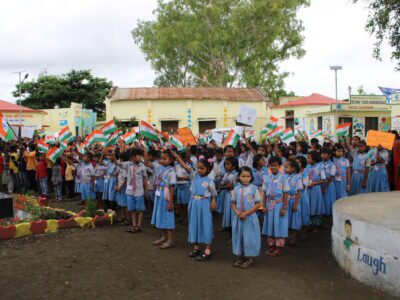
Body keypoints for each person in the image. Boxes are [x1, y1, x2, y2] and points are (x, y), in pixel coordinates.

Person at [175, 153, 217, 261]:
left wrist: (213, 201)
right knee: (195, 224)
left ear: (208, 170)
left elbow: (213, 194)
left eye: (202, 168)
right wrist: (178, 158)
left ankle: (207, 249)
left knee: (206, 224)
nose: (199, 170)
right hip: (193, 203)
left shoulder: (210, 182)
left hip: (204, 204)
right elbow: (185, 166)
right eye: (198, 167)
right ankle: (196, 247)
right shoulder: (194, 176)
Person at [231, 166, 261, 268]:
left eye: (248, 176)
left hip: (250, 218)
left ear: (251, 177)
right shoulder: (236, 189)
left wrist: (247, 213)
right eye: (243, 176)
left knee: (249, 238)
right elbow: (233, 203)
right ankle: (241, 256)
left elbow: (257, 204)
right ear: (239, 176)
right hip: (239, 217)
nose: (245, 178)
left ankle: (249, 258)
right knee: (239, 237)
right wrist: (237, 212)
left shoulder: (254, 189)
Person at [115, 148, 148, 233]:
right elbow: (118, 163)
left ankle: (139, 225)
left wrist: (146, 190)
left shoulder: (142, 166)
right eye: (139, 156)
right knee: (132, 209)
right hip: (130, 191)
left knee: (140, 209)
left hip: (139, 191)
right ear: (133, 157)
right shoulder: (128, 165)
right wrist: (113, 157)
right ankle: (134, 225)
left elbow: (145, 179)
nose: (141, 158)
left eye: (141, 156)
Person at [262, 156, 287, 256]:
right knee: (270, 225)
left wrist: (284, 207)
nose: (273, 168)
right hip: (269, 205)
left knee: (279, 225)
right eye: (271, 165)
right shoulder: (267, 178)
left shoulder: (283, 178)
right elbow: (264, 193)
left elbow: (285, 194)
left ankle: (278, 247)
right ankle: (271, 246)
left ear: (280, 166)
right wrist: (264, 206)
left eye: (275, 165)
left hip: (279, 205)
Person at [151, 150, 177, 249]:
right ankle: (164, 236)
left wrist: (170, 202)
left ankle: (170, 240)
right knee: (160, 215)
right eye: (161, 158)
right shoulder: (160, 169)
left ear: (170, 160)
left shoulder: (171, 172)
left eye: (165, 158)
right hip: (159, 194)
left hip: (166, 196)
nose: (162, 160)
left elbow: (171, 188)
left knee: (167, 217)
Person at [283, 159, 303, 245]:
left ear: (293, 168)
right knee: (287, 219)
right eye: (284, 166)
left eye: (286, 167)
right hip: (286, 201)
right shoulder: (284, 177)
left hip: (293, 200)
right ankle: (287, 235)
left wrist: (296, 204)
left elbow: (299, 192)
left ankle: (294, 237)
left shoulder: (297, 178)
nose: (284, 168)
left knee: (294, 219)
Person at [307, 151, 326, 233]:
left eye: (309, 158)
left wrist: (314, 183)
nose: (307, 159)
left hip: (315, 189)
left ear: (314, 159)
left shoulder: (320, 167)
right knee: (309, 205)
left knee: (316, 206)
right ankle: (308, 224)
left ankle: (316, 225)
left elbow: (324, 180)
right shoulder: (306, 167)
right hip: (307, 189)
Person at [220, 157, 239, 236]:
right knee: (228, 214)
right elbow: (221, 185)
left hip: (234, 196)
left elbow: (237, 186)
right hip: (228, 195)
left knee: (233, 214)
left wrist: (229, 186)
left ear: (234, 166)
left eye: (228, 164)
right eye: (225, 164)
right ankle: (230, 233)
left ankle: (235, 234)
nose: (225, 166)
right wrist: (226, 186)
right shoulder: (226, 174)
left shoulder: (237, 174)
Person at [175, 149, 191, 225]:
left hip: (186, 185)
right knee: (180, 203)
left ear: (184, 159)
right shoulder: (177, 166)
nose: (178, 159)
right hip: (179, 185)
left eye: (180, 158)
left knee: (186, 203)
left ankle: (186, 219)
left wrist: (181, 178)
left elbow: (191, 177)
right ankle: (182, 217)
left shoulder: (188, 165)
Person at [320, 148, 337, 217]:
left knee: (328, 200)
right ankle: (323, 215)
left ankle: (328, 216)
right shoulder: (320, 164)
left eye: (324, 154)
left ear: (329, 155)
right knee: (323, 200)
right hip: (321, 184)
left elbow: (331, 177)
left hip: (328, 185)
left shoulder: (332, 165)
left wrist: (325, 187)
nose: (322, 155)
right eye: (321, 153)